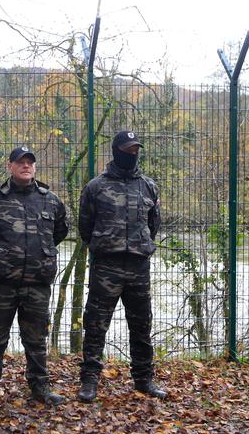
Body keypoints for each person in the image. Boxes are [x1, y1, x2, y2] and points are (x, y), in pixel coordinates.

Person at [0, 146, 69, 408]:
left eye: (30, 162)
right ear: (10, 166)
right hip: (1, 283)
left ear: (35, 167)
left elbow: (59, 233)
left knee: (36, 338)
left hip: (36, 283)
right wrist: (2, 254)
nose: (26, 166)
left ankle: (40, 385)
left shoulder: (51, 201)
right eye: (20, 162)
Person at [77, 130, 167, 402]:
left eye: (136, 150)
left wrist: (139, 246)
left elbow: (154, 225)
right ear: (116, 151)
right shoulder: (96, 187)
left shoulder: (149, 186)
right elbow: (85, 227)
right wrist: (107, 246)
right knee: (95, 325)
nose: (132, 154)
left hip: (138, 266)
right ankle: (89, 381)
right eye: (127, 150)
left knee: (141, 325)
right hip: (106, 266)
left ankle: (144, 380)